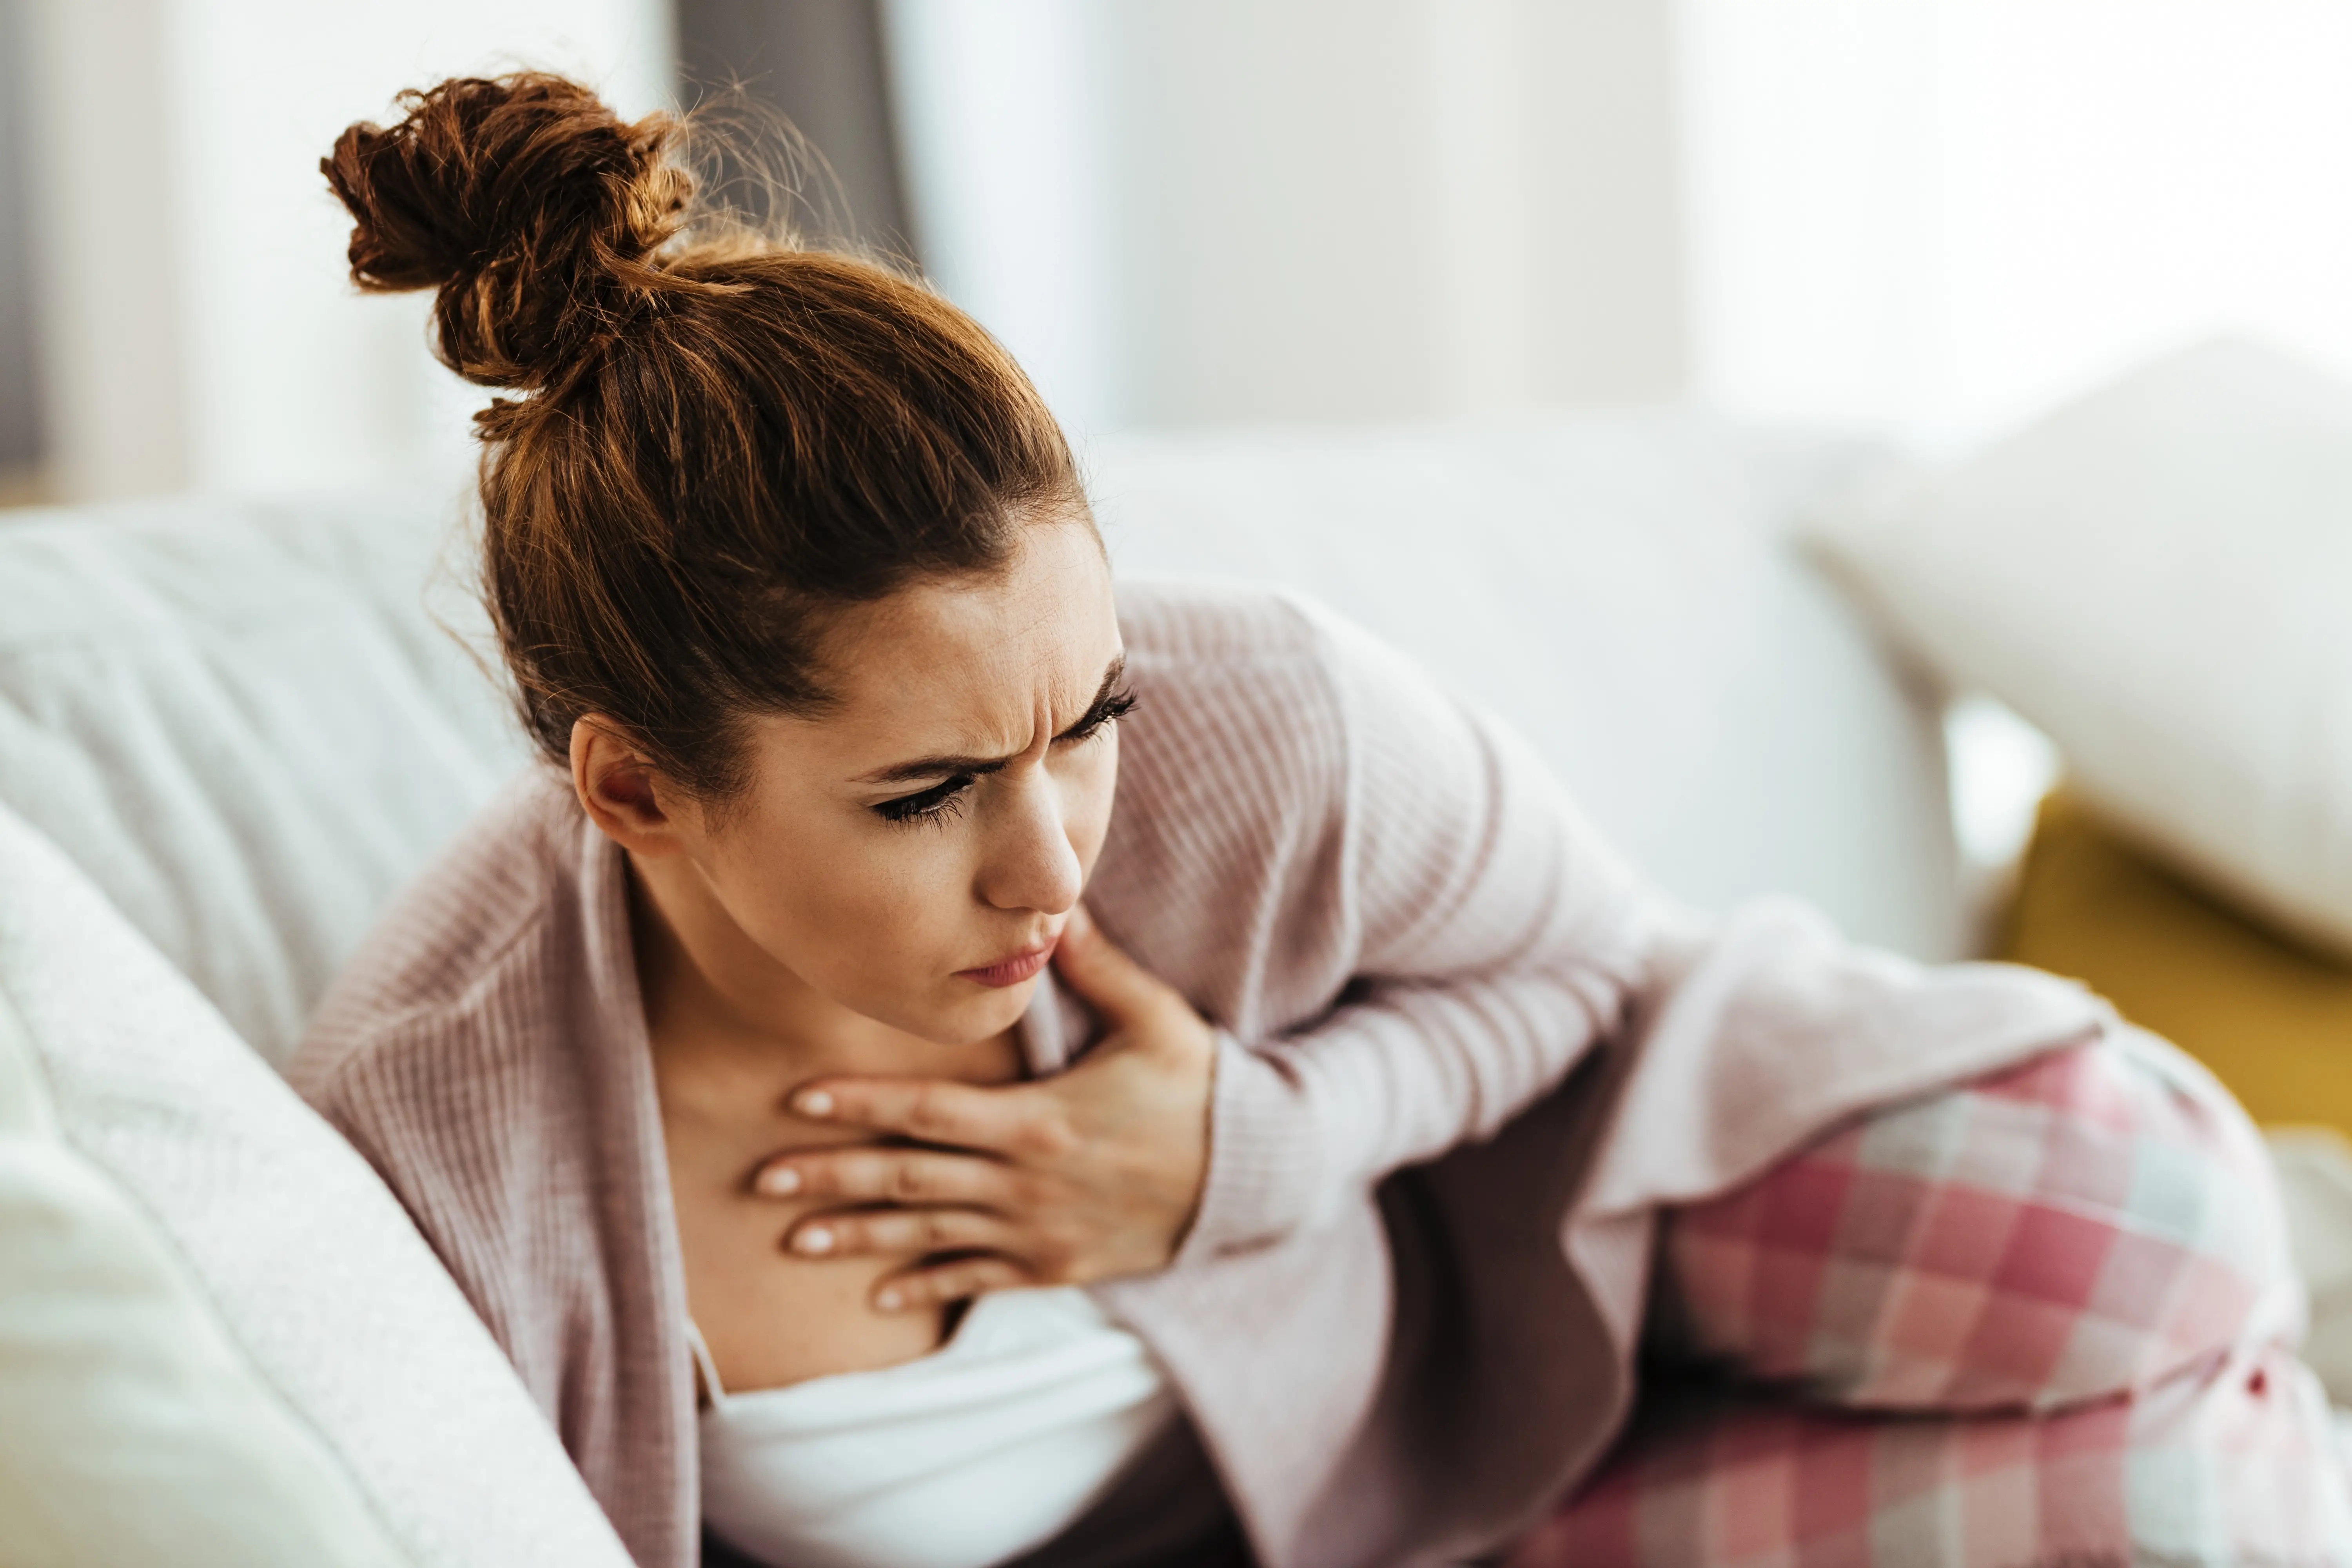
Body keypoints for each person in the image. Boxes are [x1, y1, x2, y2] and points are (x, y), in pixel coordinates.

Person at [288, 73, 2337, 1568]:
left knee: (2159, 1212)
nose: (1054, 857)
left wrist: (1248, 1153)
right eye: (924, 795)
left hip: (1535, 1247)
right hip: (1378, 1531)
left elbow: (1597, 978)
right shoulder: (462, 1139)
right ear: (636, 789)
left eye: (1081, 719)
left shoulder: (1254, 713)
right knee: (2189, 1509)